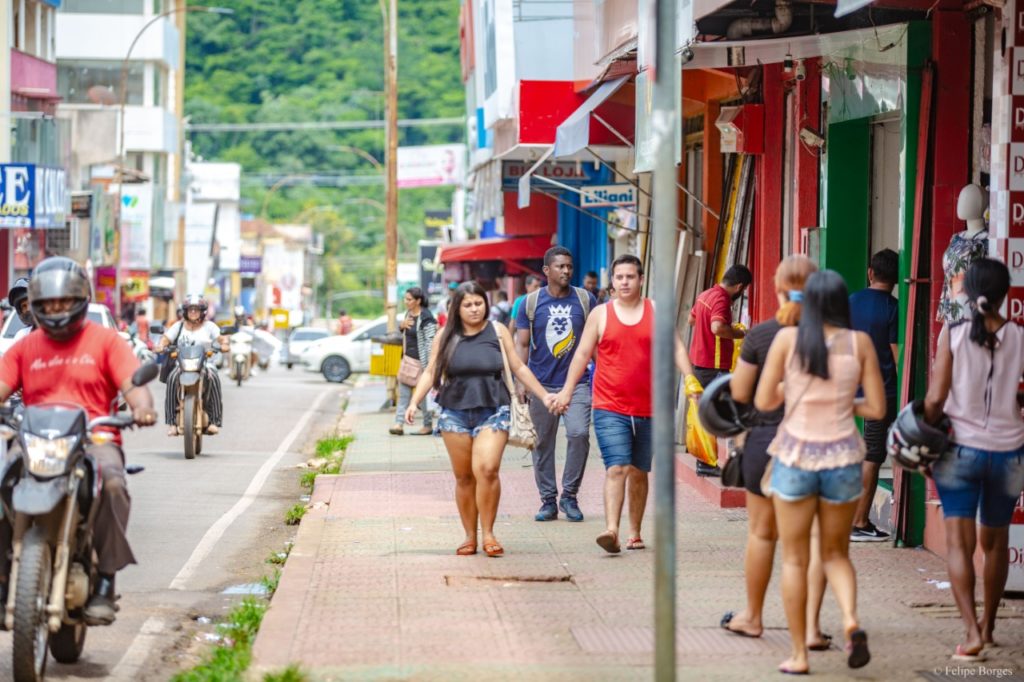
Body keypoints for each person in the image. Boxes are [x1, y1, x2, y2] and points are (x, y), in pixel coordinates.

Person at [0, 257, 158, 624]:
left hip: (93, 437)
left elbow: (133, 385)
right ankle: (5, 577)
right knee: (3, 482)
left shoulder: (106, 341)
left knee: (113, 484)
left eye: (64, 302)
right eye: (48, 303)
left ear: (79, 301)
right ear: (35, 306)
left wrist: (143, 408)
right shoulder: (25, 347)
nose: (56, 309)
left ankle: (105, 580)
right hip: (36, 439)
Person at [754, 270, 886, 675]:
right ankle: (850, 621)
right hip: (843, 458)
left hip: (795, 458)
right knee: (836, 554)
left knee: (795, 560)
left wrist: (793, 392)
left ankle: (799, 655)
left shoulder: (787, 340)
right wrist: (843, 404)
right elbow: (877, 409)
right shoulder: (860, 343)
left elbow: (763, 401)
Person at [554, 254, 700, 553]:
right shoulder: (601, 315)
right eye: (619, 277)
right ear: (613, 282)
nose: (624, 282)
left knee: (638, 470)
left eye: (630, 277)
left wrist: (690, 379)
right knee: (617, 467)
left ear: (641, 280)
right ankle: (611, 530)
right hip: (609, 405)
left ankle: (634, 532)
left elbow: (676, 347)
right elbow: (582, 354)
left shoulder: (656, 311)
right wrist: (567, 390)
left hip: (650, 407)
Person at [404, 282, 556, 557]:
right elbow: (430, 371)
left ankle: (488, 533)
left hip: (493, 409)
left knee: (486, 469)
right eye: (468, 304)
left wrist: (544, 396)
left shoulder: (497, 331)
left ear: (486, 304)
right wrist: (414, 402)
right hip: (454, 413)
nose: (474, 309)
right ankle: (469, 536)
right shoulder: (445, 335)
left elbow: (518, 366)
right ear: (457, 308)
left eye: (478, 303)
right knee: (464, 477)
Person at [726, 255, 831, 650]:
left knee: (762, 533)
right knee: (814, 540)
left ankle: (753, 617)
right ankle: (812, 629)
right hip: (820, 444)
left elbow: (739, 392)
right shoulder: (836, 334)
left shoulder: (761, 335)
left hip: (767, 441)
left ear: (778, 288)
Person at [923, 258, 1024, 661]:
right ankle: (989, 626)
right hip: (1009, 453)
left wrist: (921, 434)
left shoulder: (954, 333)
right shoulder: (1019, 335)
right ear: (1005, 294)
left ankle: (970, 633)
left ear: (967, 291)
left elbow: (935, 399)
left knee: (959, 546)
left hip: (959, 451)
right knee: (996, 544)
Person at [514, 246, 597, 522]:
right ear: (546, 270)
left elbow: (596, 343)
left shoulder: (585, 300)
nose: (566, 271)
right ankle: (548, 500)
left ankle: (569, 496)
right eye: (560, 266)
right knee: (542, 443)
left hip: (577, 384)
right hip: (541, 386)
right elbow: (522, 344)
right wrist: (520, 383)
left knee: (579, 434)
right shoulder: (529, 303)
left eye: (569, 266)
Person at [849, 248, 899, 541]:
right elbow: (896, 355)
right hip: (881, 393)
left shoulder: (851, 301)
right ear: (896, 279)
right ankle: (858, 523)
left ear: (870, 273)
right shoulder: (893, 308)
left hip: (850, 389)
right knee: (873, 454)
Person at [689, 264, 753, 475]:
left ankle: (705, 462)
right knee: (732, 412)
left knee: (709, 413)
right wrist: (740, 334)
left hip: (700, 364)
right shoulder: (722, 299)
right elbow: (717, 327)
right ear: (740, 287)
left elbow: (691, 319)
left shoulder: (705, 295)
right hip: (713, 366)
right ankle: (726, 462)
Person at [156, 294, 228, 436]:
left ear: (202, 312)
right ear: (185, 311)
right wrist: (161, 345)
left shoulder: (210, 326)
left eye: (196, 309)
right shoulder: (178, 326)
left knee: (213, 377)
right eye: (190, 309)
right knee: (172, 379)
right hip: (182, 365)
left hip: (206, 364)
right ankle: (172, 423)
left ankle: (214, 421)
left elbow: (221, 338)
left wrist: (224, 344)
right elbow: (166, 338)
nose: (193, 312)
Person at [391, 287, 437, 436]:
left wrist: (429, 366)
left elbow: (431, 341)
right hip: (407, 361)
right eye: (405, 299)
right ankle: (398, 424)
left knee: (422, 397)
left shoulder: (426, 318)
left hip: (421, 364)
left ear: (418, 301)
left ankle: (427, 425)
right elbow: (405, 332)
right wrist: (401, 326)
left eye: (409, 299)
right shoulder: (409, 314)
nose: (406, 302)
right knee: (403, 394)